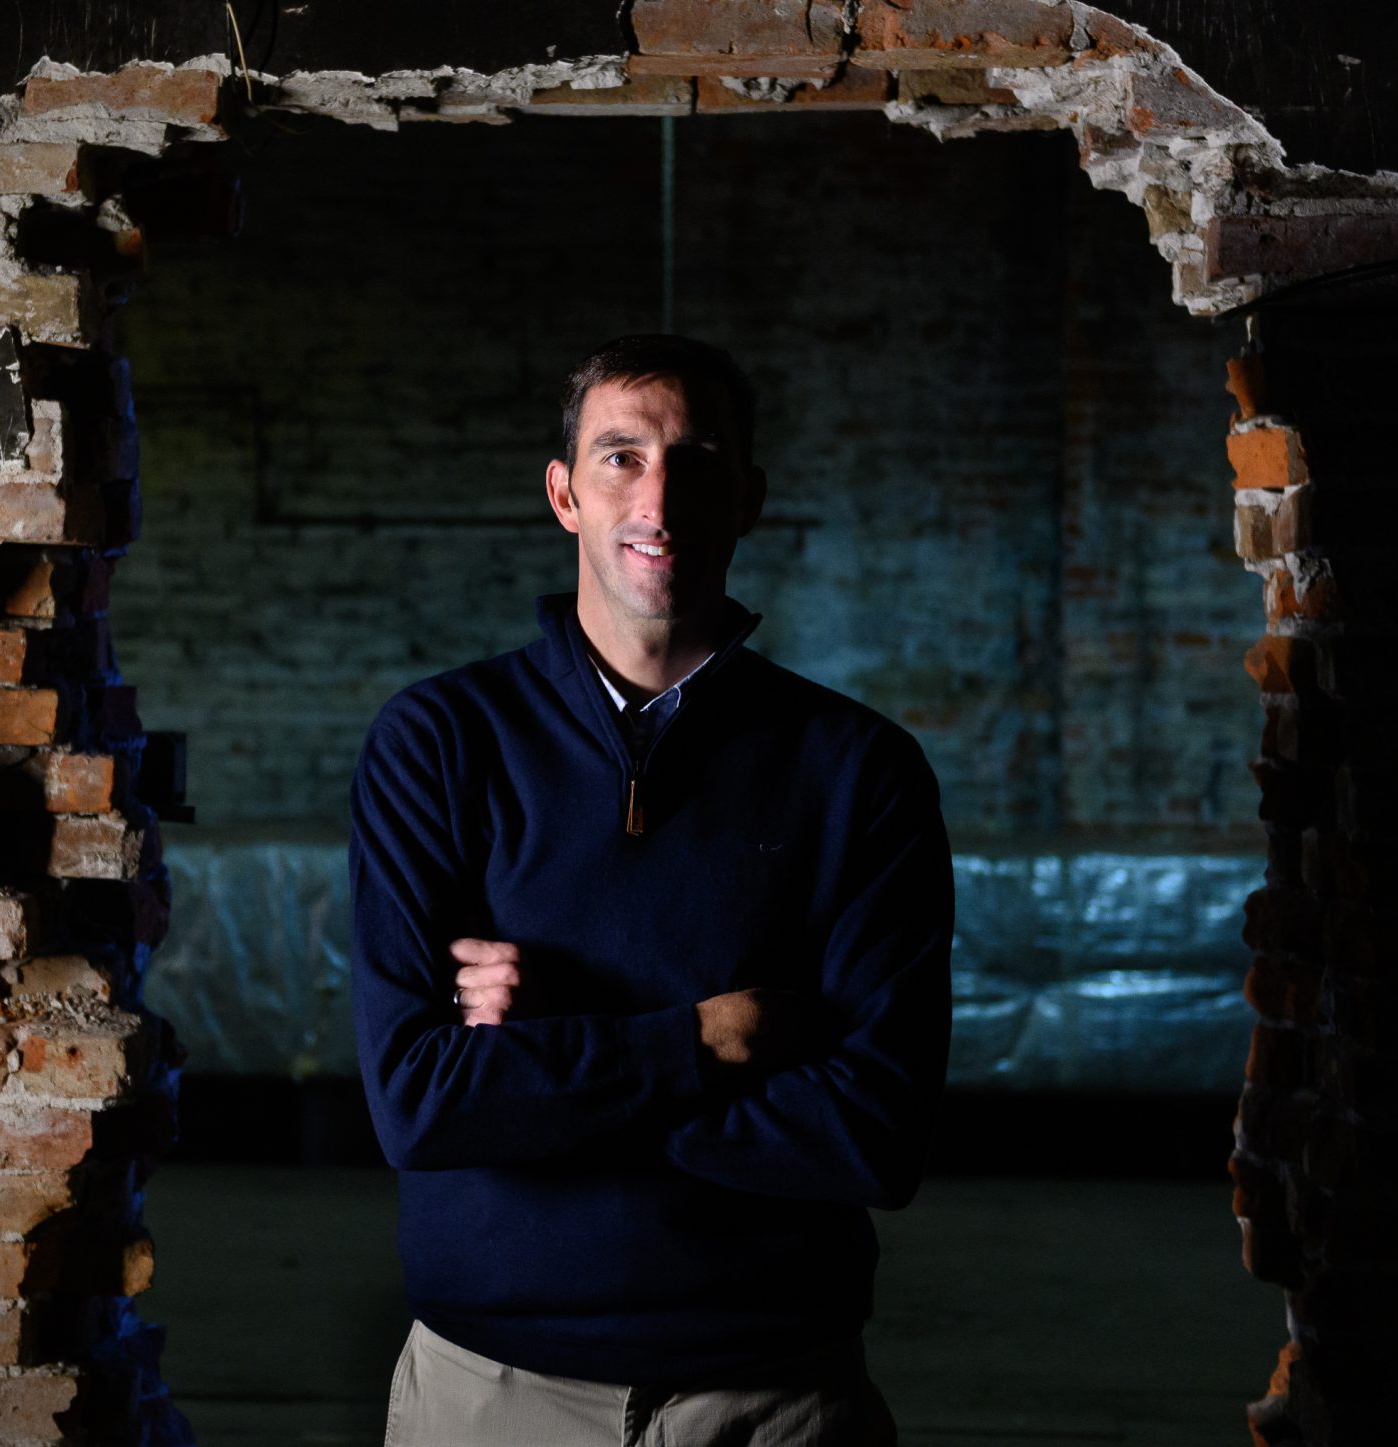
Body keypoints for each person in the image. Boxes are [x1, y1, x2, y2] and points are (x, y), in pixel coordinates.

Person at [347, 332, 954, 1446]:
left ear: (749, 498)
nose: (657, 496)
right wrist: (705, 1035)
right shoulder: (436, 742)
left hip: (773, 1394)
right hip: (487, 1390)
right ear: (564, 494)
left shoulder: (858, 768)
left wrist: (543, 1059)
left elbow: (874, 1136)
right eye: (620, 455)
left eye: (697, 459)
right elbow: (420, 1102)